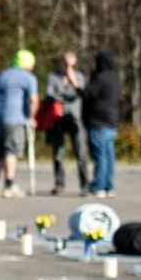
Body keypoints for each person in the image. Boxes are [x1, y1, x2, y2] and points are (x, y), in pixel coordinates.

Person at [0, 51, 39, 198]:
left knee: (0, 153)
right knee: (11, 151)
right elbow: (34, 100)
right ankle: (9, 185)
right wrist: (31, 117)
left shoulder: (2, 75)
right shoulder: (29, 78)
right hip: (15, 119)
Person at [44, 52, 88, 196]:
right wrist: (63, 91)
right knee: (58, 153)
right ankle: (59, 183)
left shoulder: (79, 76)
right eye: (64, 62)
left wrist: (71, 79)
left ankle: (84, 185)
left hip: (75, 118)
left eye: (70, 63)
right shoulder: (53, 77)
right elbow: (49, 95)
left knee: (80, 152)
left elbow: (81, 93)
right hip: (58, 118)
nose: (66, 66)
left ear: (74, 62)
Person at [83, 50, 121, 198]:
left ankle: (99, 186)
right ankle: (109, 186)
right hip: (112, 121)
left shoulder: (100, 78)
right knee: (109, 156)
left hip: (98, 121)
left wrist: (77, 86)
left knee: (100, 155)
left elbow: (88, 94)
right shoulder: (114, 78)